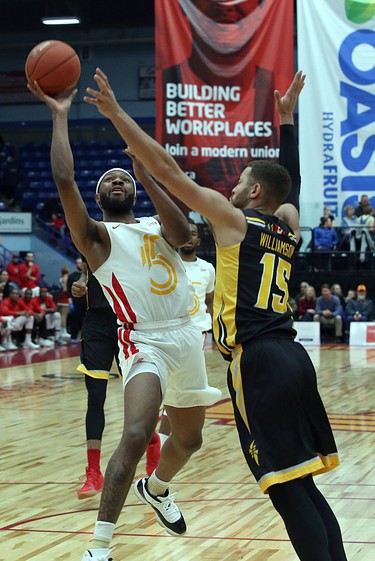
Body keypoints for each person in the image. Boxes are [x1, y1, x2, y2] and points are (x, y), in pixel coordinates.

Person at [80, 68, 348, 561]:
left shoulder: (235, 222)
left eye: (240, 182)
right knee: (305, 484)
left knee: (286, 490)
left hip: (259, 363)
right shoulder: (287, 225)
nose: (232, 188)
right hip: (294, 357)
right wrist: (286, 121)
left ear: (252, 195)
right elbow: (285, 186)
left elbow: (171, 174)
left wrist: (117, 115)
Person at [28, 78, 222, 561]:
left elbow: (185, 234)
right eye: (110, 179)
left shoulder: (160, 223)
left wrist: (150, 176)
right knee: (136, 433)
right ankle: (99, 548)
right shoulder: (95, 237)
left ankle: (156, 488)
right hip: (143, 341)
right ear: (100, 196)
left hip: (186, 336)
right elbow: (64, 181)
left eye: (126, 178)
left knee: (190, 440)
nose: (119, 180)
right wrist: (60, 115)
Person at [158, 0, 292, 196]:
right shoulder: (168, 80)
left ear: (261, 10)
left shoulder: (274, 85)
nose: (227, 7)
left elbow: (291, 184)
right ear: (185, 8)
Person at [154, 220, 216, 468]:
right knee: (163, 391)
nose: (189, 238)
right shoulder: (166, 262)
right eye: (185, 233)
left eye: (194, 234)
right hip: (167, 333)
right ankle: (157, 446)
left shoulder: (208, 269)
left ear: (199, 241)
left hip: (195, 335)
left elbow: (209, 298)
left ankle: (159, 449)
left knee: (178, 394)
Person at [67, 257, 86, 343]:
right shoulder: (72, 276)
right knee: (75, 320)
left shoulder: (86, 275)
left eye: (81, 263)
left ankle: (83, 337)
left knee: (85, 320)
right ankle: (73, 337)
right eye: (78, 263)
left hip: (86, 302)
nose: (80, 264)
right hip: (76, 302)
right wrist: (70, 301)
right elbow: (68, 289)